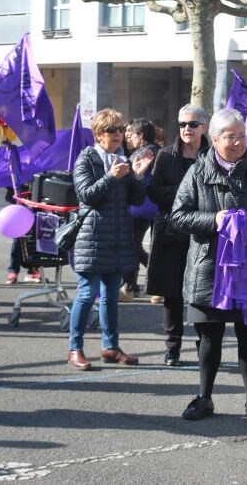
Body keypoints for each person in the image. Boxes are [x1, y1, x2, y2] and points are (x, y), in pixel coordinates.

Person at [171, 108, 247, 424]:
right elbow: (178, 216)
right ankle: (205, 397)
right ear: (216, 138)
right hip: (209, 270)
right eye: (230, 137)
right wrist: (215, 220)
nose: (237, 142)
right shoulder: (197, 172)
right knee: (210, 338)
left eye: (242, 136)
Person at [67, 109, 153, 370]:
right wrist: (110, 176)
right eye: (111, 131)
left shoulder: (122, 158)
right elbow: (86, 195)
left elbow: (136, 200)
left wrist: (137, 176)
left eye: (120, 130)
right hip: (92, 237)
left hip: (117, 236)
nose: (118, 135)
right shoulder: (87, 158)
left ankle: (110, 347)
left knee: (110, 296)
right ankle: (75, 349)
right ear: (98, 134)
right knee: (86, 294)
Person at [146, 104, 209, 366]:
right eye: (182, 124)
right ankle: (172, 347)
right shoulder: (165, 156)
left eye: (192, 124)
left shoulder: (213, 155)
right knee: (172, 293)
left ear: (204, 127)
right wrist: (188, 195)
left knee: (201, 291)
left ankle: (204, 346)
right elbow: (154, 192)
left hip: (203, 233)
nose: (186, 129)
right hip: (171, 233)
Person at [120, 119, 160, 301]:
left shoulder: (142, 153)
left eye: (132, 135)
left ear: (141, 136)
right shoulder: (160, 151)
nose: (130, 140)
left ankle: (133, 287)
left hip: (139, 207)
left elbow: (129, 180)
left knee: (132, 247)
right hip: (154, 206)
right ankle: (132, 287)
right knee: (139, 247)